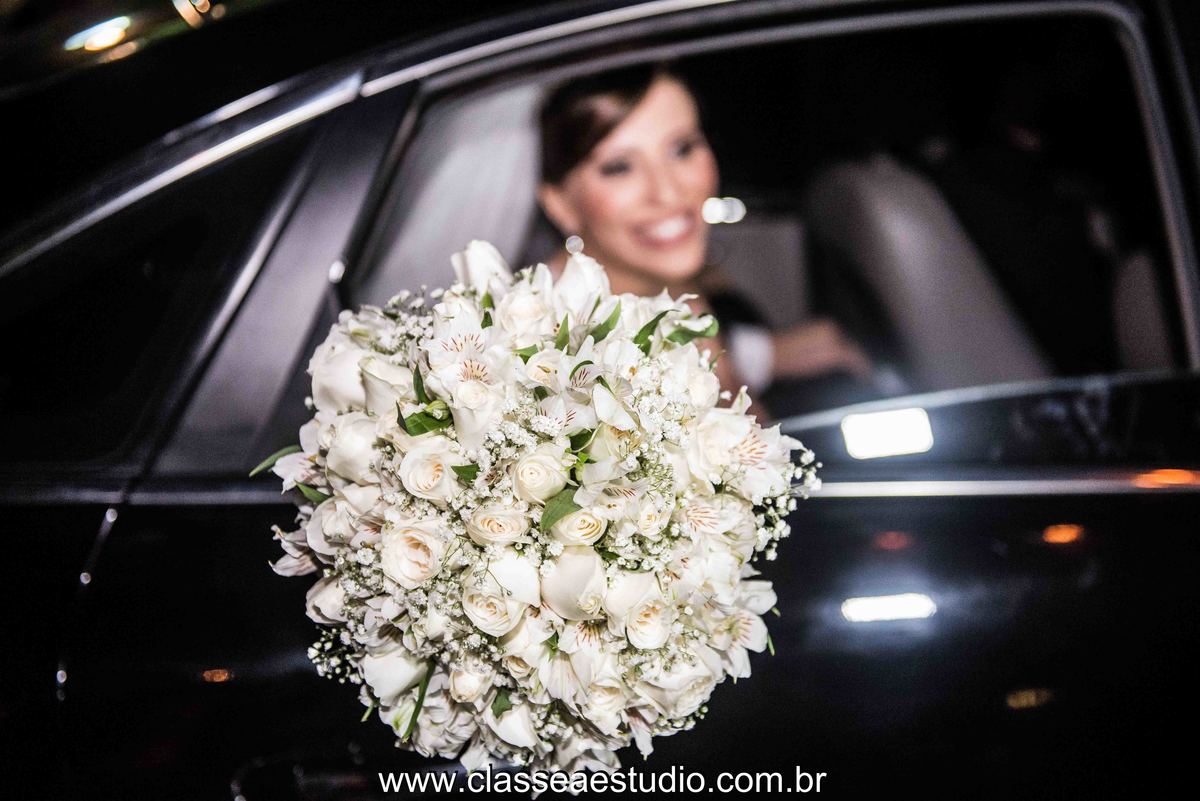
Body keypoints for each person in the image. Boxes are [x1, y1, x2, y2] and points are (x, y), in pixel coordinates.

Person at [534, 61, 872, 419]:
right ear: (560, 205)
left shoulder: (675, 292)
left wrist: (765, 355)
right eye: (620, 167)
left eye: (681, 149)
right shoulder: (557, 353)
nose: (667, 191)